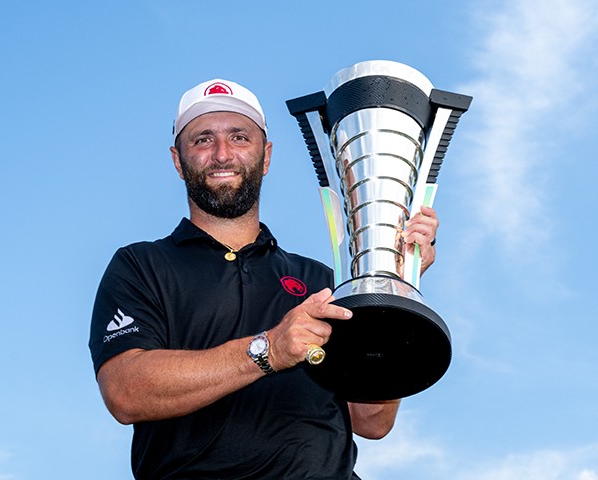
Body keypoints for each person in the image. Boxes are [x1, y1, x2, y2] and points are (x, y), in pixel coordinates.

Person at [89, 78, 440, 479]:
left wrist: (396, 292)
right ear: (177, 159)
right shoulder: (141, 265)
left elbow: (372, 419)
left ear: (266, 155)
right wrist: (269, 349)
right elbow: (125, 392)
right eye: (203, 140)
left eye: (239, 137)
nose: (222, 154)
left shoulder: (321, 281)